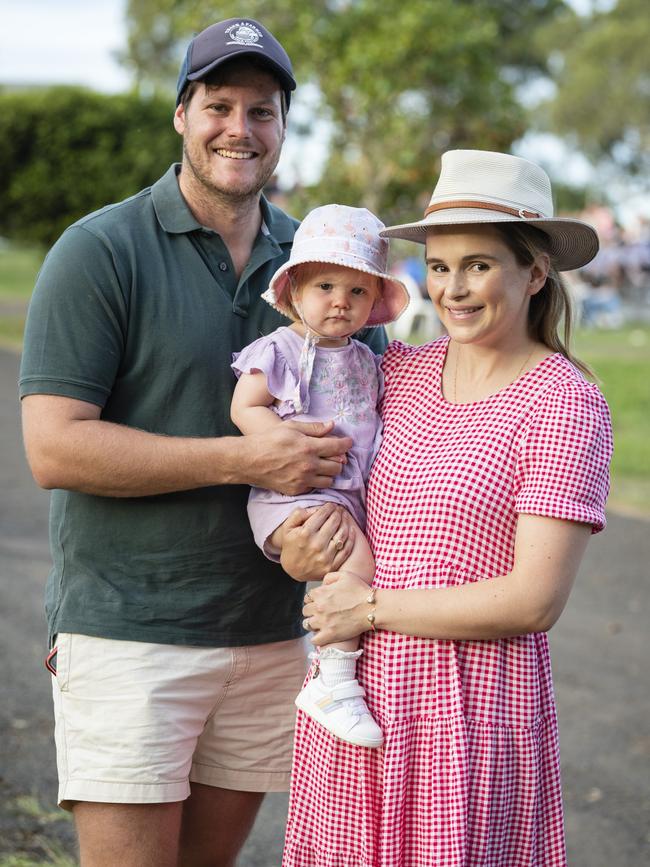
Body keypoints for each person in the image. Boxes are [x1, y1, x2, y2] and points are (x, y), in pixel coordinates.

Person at [18, 17, 387, 867]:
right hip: (131, 633)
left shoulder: (322, 263)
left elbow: (378, 414)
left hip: (269, 636)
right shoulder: (99, 251)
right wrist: (248, 457)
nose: (240, 129)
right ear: (182, 115)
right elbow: (56, 450)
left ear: (284, 129)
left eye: (263, 111)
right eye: (219, 104)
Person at [282, 150, 613, 866]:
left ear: (534, 271)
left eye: (478, 265)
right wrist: (302, 540)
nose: (453, 289)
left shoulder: (564, 402)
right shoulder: (397, 371)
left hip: (470, 713)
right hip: (357, 700)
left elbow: (533, 600)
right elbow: (319, 480)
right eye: (438, 266)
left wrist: (365, 610)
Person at [231, 203, 409, 749]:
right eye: (327, 286)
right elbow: (246, 406)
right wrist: (280, 443)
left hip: (344, 495)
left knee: (357, 566)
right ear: (295, 292)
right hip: (296, 492)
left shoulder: (363, 359)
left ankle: (335, 669)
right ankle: (332, 681)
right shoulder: (281, 348)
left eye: (357, 292)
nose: (341, 301)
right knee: (355, 561)